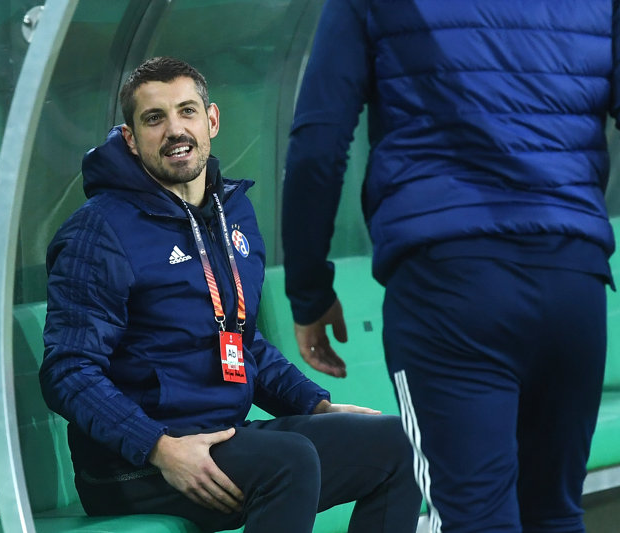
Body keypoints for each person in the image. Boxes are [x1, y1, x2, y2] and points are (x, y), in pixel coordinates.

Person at [39, 56, 421, 533]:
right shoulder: (99, 231)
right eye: (154, 119)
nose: (175, 130)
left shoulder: (231, 214)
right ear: (132, 140)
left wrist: (316, 406)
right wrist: (159, 447)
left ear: (212, 120)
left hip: (226, 439)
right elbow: (68, 371)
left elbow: (241, 340)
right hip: (135, 464)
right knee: (290, 460)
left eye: (187, 111)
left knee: (398, 443)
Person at [282, 1, 618, 532]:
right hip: (572, 278)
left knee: (474, 517)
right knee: (554, 513)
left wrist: (309, 291)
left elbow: (318, 144)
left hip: (446, 284)